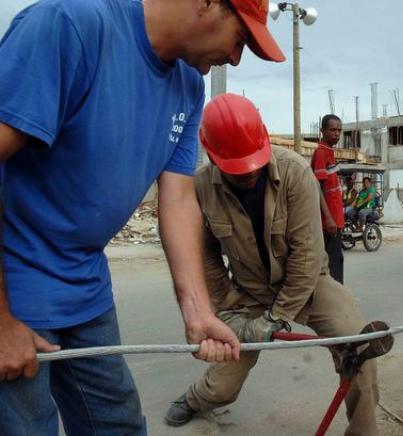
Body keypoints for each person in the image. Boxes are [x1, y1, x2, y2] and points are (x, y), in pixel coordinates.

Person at [0, 0, 285, 434]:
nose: (234, 58)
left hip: (84, 286)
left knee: (119, 425)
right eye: (240, 40)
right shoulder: (72, 27)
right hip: (12, 284)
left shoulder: (188, 86)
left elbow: (179, 200)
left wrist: (198, 311)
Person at [164, 94, 379, 435]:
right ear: (212, 155)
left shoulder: (294, 172)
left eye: (253, 163)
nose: (249, 174)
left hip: (308, 286)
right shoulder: (202, 187)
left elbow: (308, 254)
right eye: (237, 168)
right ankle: (195, 399)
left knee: (360, 346)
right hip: (249, 292)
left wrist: (277, 316)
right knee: (222, 386)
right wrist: (226, 306)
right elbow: (203, 253)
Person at [311, 114, 345, 283]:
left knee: (336, 261)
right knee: (333, 263)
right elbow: (318, 188)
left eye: (339, 130)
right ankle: (337, 301)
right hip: (328, 222)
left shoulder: (330, 152)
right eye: (332, 130)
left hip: (336, 219)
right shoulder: (320, 153)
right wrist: (329, 219)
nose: (336, 134)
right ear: (322, 131)